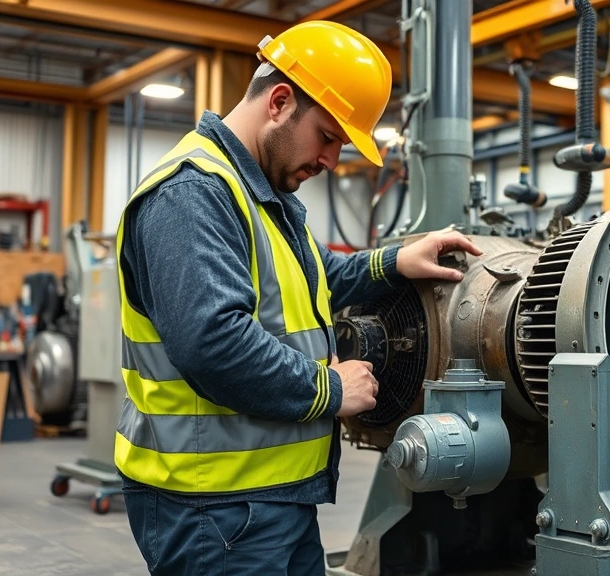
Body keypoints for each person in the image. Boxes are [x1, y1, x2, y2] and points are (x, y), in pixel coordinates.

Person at [113, 20, 482, 575]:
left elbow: (318, 276)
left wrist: (395, 260)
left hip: (271, 499)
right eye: (329, 137)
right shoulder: (193, 195)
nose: (332, 160)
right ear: (280, 102)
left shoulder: (264, 197)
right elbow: (213, 344)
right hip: (214, 508)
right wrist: (330, 388)